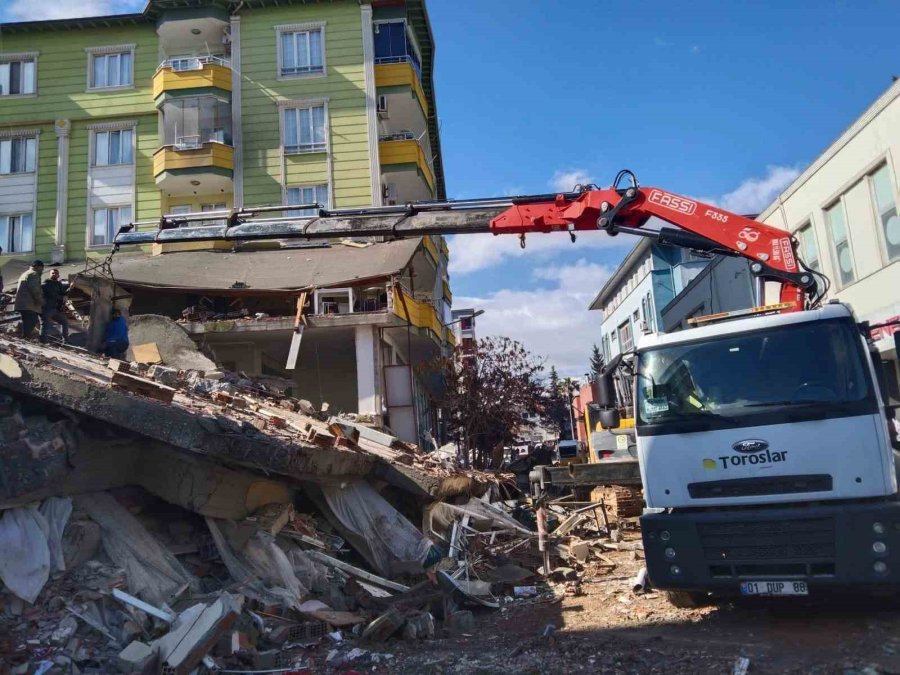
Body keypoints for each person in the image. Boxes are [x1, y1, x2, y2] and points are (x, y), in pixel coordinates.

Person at [14, 260, 44, 340]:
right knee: (32, 320)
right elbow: (34, 288)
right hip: (28, 303)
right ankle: (26, 337)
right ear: (38, 267)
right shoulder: (34, 274)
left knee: (27, 320)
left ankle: (25, 337)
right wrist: (39, 299)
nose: (42, 270)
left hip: (22, 303)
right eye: (42, 268)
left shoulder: (25, 273)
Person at [41, 268, 70, 344]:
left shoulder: (59, 284)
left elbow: (63, 293)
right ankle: (43, 342)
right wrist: (62, 297)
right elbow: (52, 294)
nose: (54, 274)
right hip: (46, 308)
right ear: (50, 274)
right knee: (45, 324)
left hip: (55, 309)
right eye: (52, 273)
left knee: (64, 321)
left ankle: (65, 342)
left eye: (56, 273)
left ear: (58, 275)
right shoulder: (46, 283)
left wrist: (66, 294)